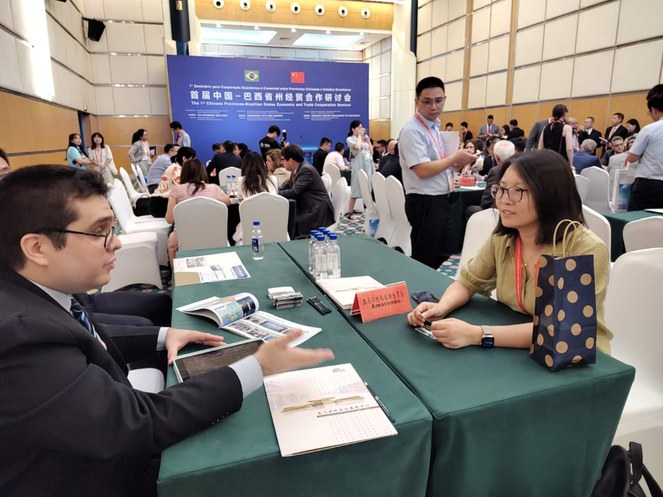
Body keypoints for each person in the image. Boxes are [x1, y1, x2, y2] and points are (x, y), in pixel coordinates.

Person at [0, 165, 334, 496]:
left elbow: (85, 337)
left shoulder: (38, 295)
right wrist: (257, 367)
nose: (116, 243)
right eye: (100, 232)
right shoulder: (19, 335)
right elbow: (135, 423)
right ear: (37, 248)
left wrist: (163, 335)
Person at [407, 150, 612, 355]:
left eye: (517, 191)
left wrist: (478, 334)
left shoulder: (584, 249)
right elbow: (468, 282)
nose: (504, 200)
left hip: (573, 358)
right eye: (502, 189)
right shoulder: (505, 238)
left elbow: (559, 327)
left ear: (551, 194)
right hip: (517, 349)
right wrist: (441, 307)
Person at [398, 76, 476, 269]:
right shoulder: (412, 131)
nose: (434, 106)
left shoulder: (434, 127)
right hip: (424, 201)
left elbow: (438, 162)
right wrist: (454, 157)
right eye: (427, 101)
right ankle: (418, 286)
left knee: (443, 250)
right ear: (417, 102)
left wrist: (457, 162)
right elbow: (422, 170)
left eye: (438, 100)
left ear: (444, 99)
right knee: (424, 257)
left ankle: (424, 284)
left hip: (441, 197)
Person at [165, 158, 230, 264]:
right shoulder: (213, 188)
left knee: (172, 242)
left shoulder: (176, 190)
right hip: (213, 234)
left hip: (185, 236)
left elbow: (169, 219)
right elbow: (227, 202)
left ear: (184, 173)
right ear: (203, 172)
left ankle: (175, 271)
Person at [278, 144, 334, 237]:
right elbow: (286, 186)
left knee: (288, 220)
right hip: (308, 206)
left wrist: (274, 194)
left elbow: (294, 192)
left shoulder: (306, 170)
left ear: (290, 161)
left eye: (283, 159)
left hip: (316, 210)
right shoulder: (297, 169)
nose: (281, 162)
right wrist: (271, 189)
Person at [626, 84, 663, 211]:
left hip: (648, 184)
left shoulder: (649, 129)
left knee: (637, 220)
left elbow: (631, 158)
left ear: (654, 109)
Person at [233, 151, 279, 243]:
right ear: (262, 164)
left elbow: (240, 199)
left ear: (244, 165)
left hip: (250, 227)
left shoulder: (242, 181)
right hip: (274, 225)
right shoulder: (273, 179)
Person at [149, 146, 196, 218]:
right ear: (184, 158)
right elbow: (184, 187)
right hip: (160, 204)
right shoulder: (176, 170)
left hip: (159, 202)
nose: (193, 163)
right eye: (192, 159)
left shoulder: (177, 167)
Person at [346, 120, 374, 218]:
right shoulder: (350, 139)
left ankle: (369, 211)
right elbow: (357, 147)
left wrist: (368, 140)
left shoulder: (363, 139)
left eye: (362, 127)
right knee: (356, 186)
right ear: (353, 129)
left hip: (368, 164)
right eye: (359, 127)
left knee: (369, 186)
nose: (361, 129)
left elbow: (371, 152)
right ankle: (350, 212)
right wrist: (359, 137)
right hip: (359, 164)